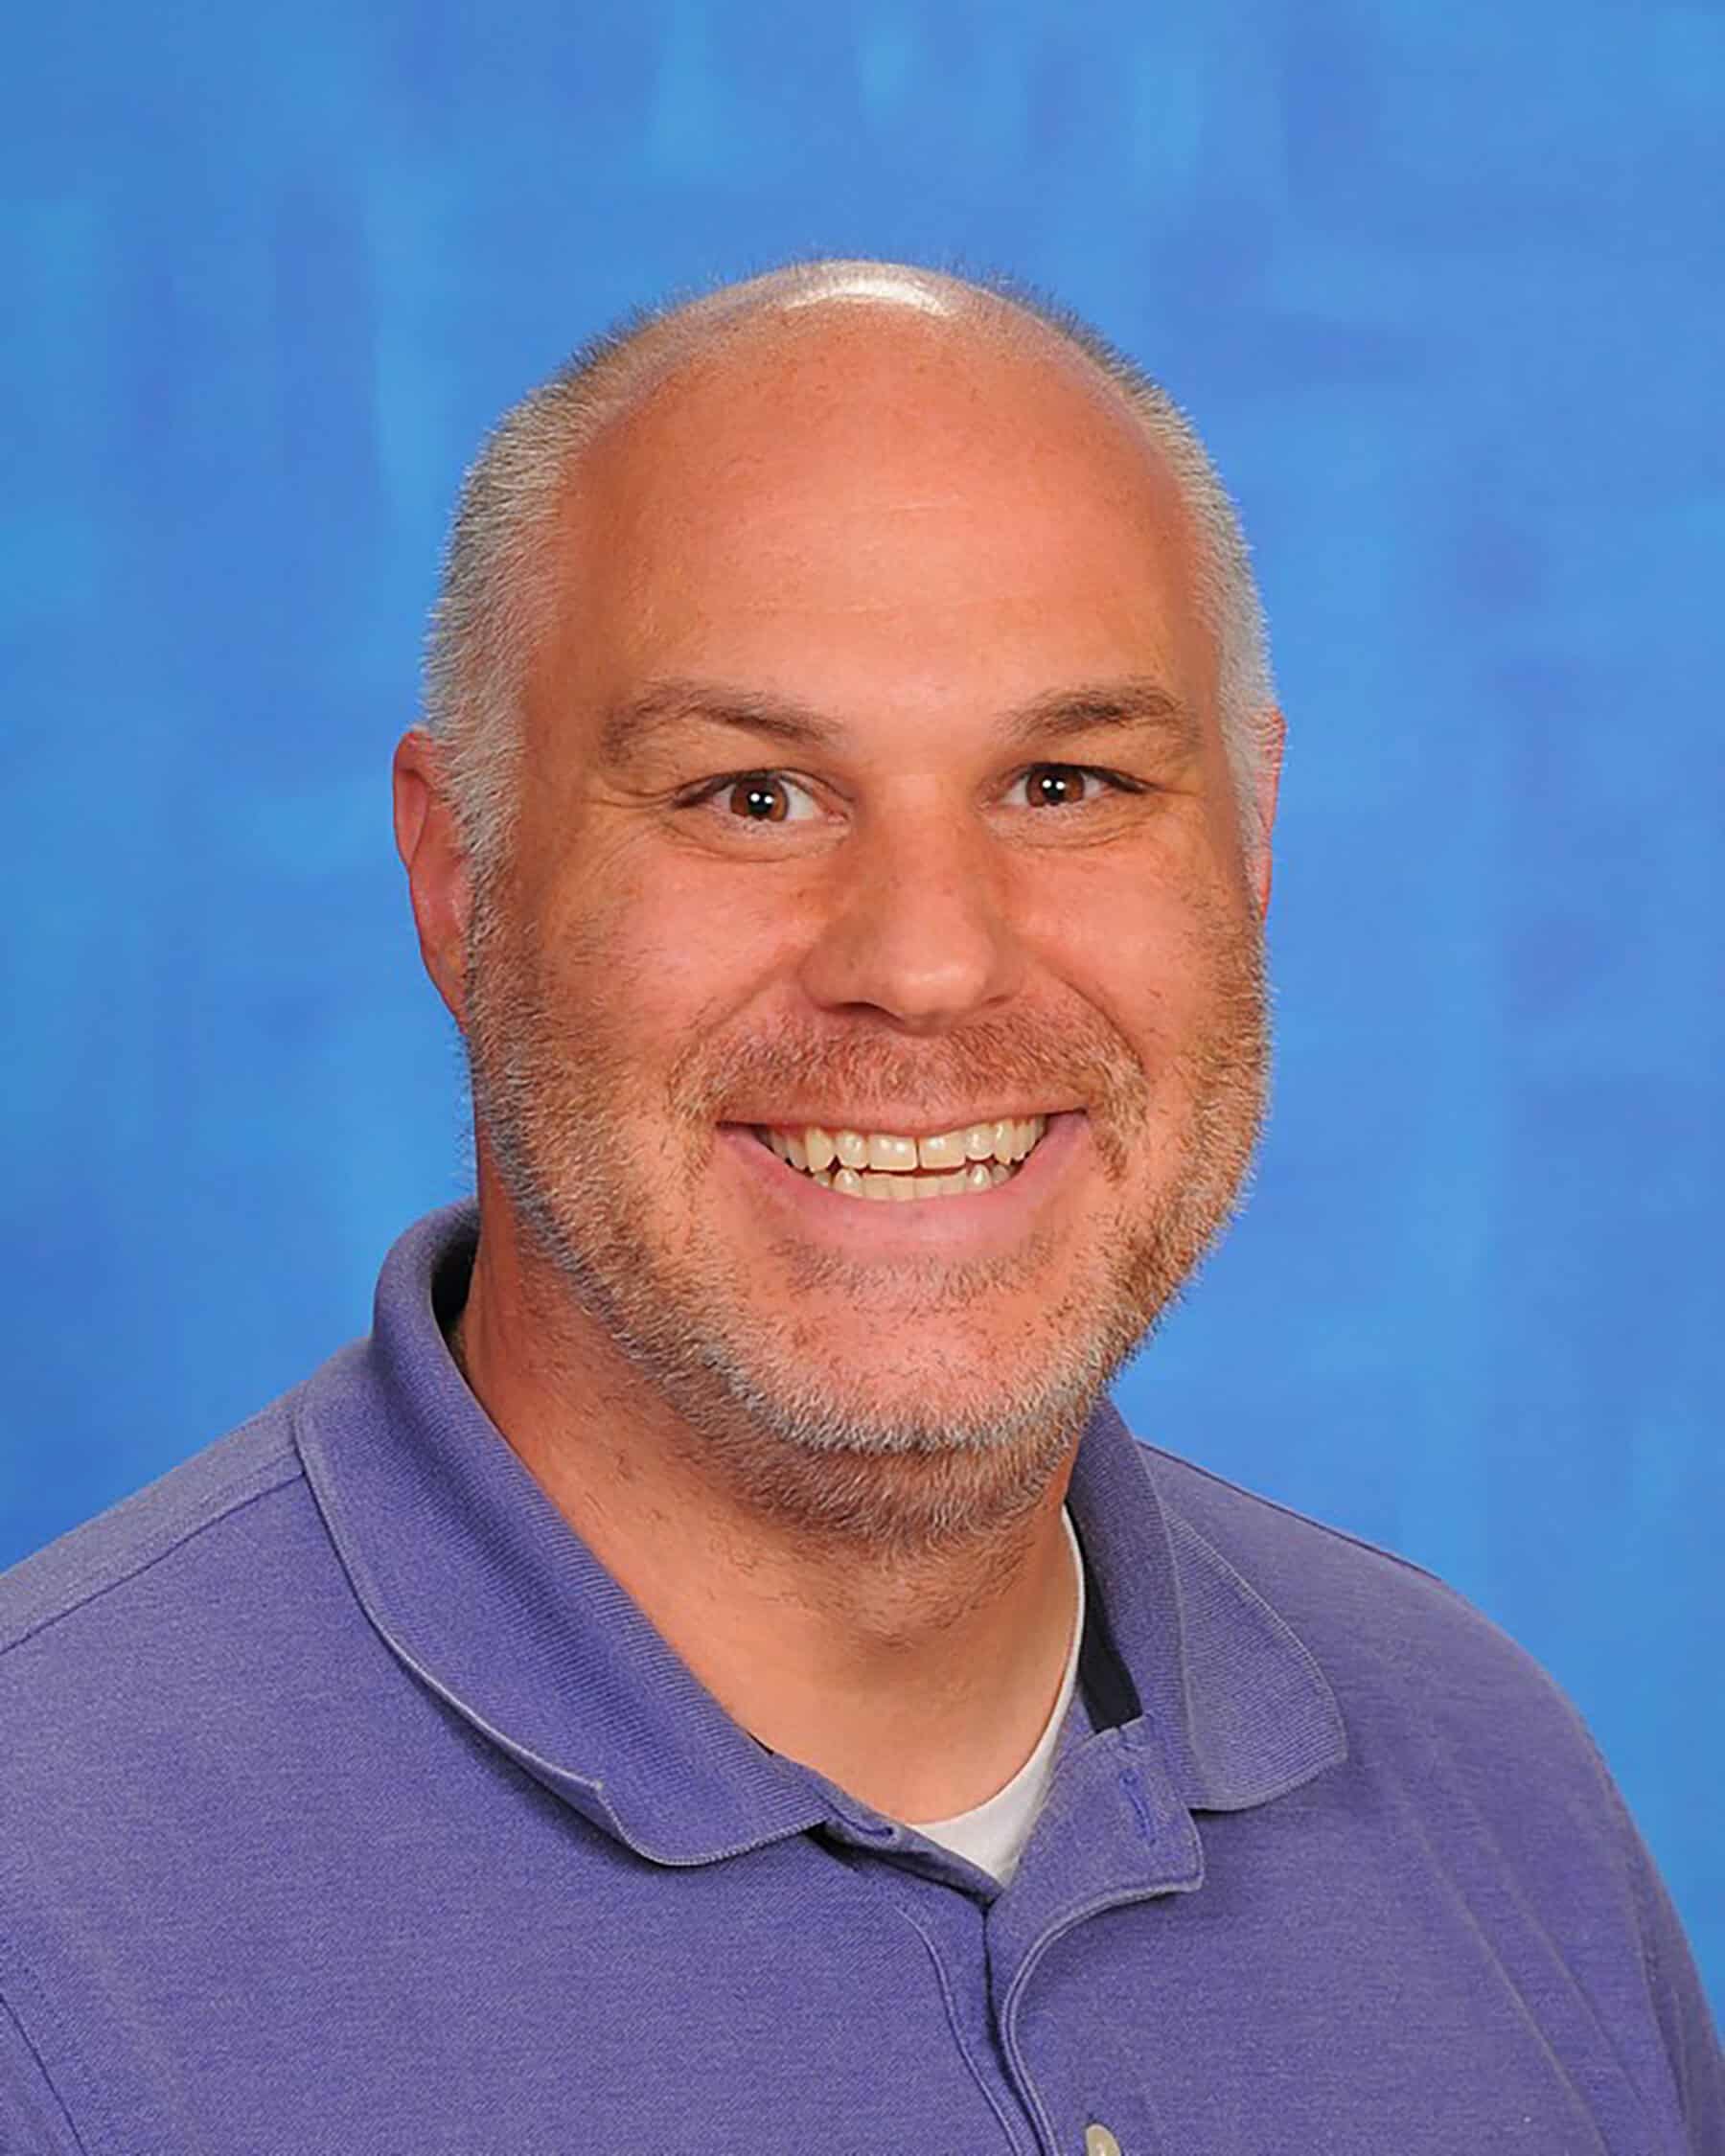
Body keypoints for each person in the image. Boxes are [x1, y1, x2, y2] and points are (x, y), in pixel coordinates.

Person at [1, 261, 1717, 2156]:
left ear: (1249, 844)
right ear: (456, 879)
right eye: (753, 797)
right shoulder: (44, 1927)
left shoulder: (1488, 1792)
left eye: (1065, 782)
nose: (925, 964)